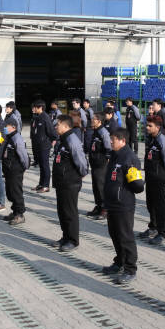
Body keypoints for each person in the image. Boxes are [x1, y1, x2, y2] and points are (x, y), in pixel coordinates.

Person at [102, 128, 144, 284]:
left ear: (122, 141)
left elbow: (138, 186)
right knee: (115, 235)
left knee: (125, 237)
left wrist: (123, 190)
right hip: (112, 204)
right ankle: (119, 262)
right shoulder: (114, 155)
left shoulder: (129, 158)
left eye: (113, 139)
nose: (110, 142)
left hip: (123, 205)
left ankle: (130, 269)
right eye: (110, 139)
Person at [51, 114, 88, 252]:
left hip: (70, 183)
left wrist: (80, 175)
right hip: (62, 182)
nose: (56, 127)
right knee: (62, 211)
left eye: (58, 124)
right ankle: (65, 236)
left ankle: (73, 240)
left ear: (65, 126)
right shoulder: (63, 139)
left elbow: (82, 162)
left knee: (70, 212)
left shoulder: (72, 140)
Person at [140, 115, 165, 245]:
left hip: (159, 178)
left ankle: (162, 232)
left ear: (157, 127)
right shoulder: (151, 139)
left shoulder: (162, 141)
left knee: (160, 206)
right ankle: (153, 227)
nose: (147, 128)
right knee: (150, 204)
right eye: (147, 125)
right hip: (150, 177)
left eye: (150, 126)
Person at [2, 119, 30, 226]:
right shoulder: (10, 137)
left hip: (15, 170)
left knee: (16, 192)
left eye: (6, 126)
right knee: (10, 192)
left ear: (13, 127)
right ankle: (14, 212)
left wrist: (24, 167)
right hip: (9, 170)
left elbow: (23, 155)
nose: (4, 128)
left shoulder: (17, 138)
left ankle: (20, 214)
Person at [87, 112, 111, 220]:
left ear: (99, 121)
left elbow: (108, 148)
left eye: (94, 119)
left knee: (101, 187)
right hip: (95, 163)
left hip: (101, 164)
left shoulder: (103, 132)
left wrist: (106, 160)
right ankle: (98, 206)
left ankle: (105, 209)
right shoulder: (95, 131)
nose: (92, 120)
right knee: (95, 186)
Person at [31, 99, 56, 193]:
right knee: (41, 165)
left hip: (44, 145)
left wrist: (53, 140)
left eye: (35, 107)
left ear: (40, 108)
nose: (34, 109)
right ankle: (41, 184)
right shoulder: (37, 117)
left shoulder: (45, 117)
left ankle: (46, 185)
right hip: (38, 144)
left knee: (45, 165)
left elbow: (51, 131)